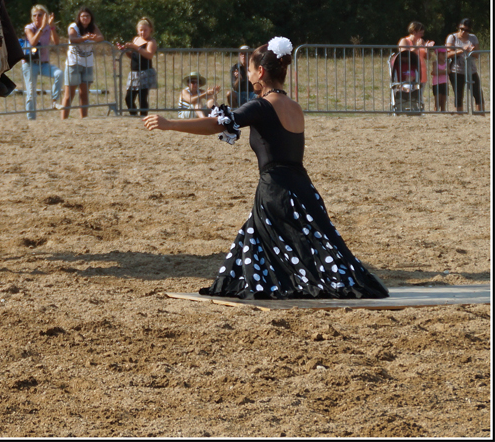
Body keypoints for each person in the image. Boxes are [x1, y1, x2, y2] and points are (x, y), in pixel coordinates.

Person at [143, 37, 388, 300]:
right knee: (307, 247)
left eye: (248, 71)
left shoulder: (261, 105)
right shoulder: (294, 107)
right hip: (304, 190)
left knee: (276, 249)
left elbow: (218, 124)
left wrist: (170, 124)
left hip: (276, 192)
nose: (247, 77)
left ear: (261, 72)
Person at [21, 5, 64, 120]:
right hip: (30, 63)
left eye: (40, 15)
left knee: (59, 74)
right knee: (31, 92)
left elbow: (56, 42)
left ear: (45, 16)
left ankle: (54, 101)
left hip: (44, 63)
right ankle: (31, 119)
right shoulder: (29, 27)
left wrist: (52, 27)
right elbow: (33, 42)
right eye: (34, 15)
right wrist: (41, 28)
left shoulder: (48, 28)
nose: (37, 17)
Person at [61, 7, 104, 119]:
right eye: (83, 16)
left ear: (91, 18)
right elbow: (72, 38)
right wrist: (85, 38)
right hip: (74, 63)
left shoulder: (93, 27)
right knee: (69, 94)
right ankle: (64, 119)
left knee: (84, 93)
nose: (85, 18)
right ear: (79, 17)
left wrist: (94, 38)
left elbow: (101, 37)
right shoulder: (73, 26)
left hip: (88, 64)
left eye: (87, 16)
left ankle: (84, 118)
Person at [117, 17, 158, 116]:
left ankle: (143, 116)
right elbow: (132, 56)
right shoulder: (136, 39)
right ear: (137, 30)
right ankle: (134, 115)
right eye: (141, 30)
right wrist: (124, 51)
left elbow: (149, 55)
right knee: (128, 98)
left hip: (145, 72)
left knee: (142, 98)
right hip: (134, 73)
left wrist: (136, 47)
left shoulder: (151, 42)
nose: (143, 32)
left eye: (145, 30)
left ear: (150, 30)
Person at [445, 18, 484, 114]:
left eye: (466, 30)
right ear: (458, 27)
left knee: (478, 93)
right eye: (461, 29)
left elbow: (477, 55)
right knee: (458, 94)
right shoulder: (452, 37)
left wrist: (472, 51)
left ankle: (480, 113)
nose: (463, 32)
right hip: (456, 70)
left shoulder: (473, 38)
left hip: (471, 69)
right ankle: (459, 114)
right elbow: (448, 54)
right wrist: (462, 50)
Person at [397, 21, 434, 91]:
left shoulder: (421, 41)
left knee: (419, 97)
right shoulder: (405, 41)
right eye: (420, 33)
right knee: (409, 96)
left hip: (422, 74)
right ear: (414, 32)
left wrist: (427, 49)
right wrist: (417, 46)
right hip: (409, 74)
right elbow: (404, 54)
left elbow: (428, 57)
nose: (422, 35)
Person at [430, 47, 448, 113]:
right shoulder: (435, 63)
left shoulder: (447, 63)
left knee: (443, 102)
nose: (444, 56)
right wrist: (443, 71)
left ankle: (443, 114)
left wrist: (438, 71)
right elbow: (434, 72)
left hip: (445, 83)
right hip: (436, 83)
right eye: (442, 54)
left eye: (445, 54)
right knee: (437, 102)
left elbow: (448, 71)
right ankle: (436, 114)